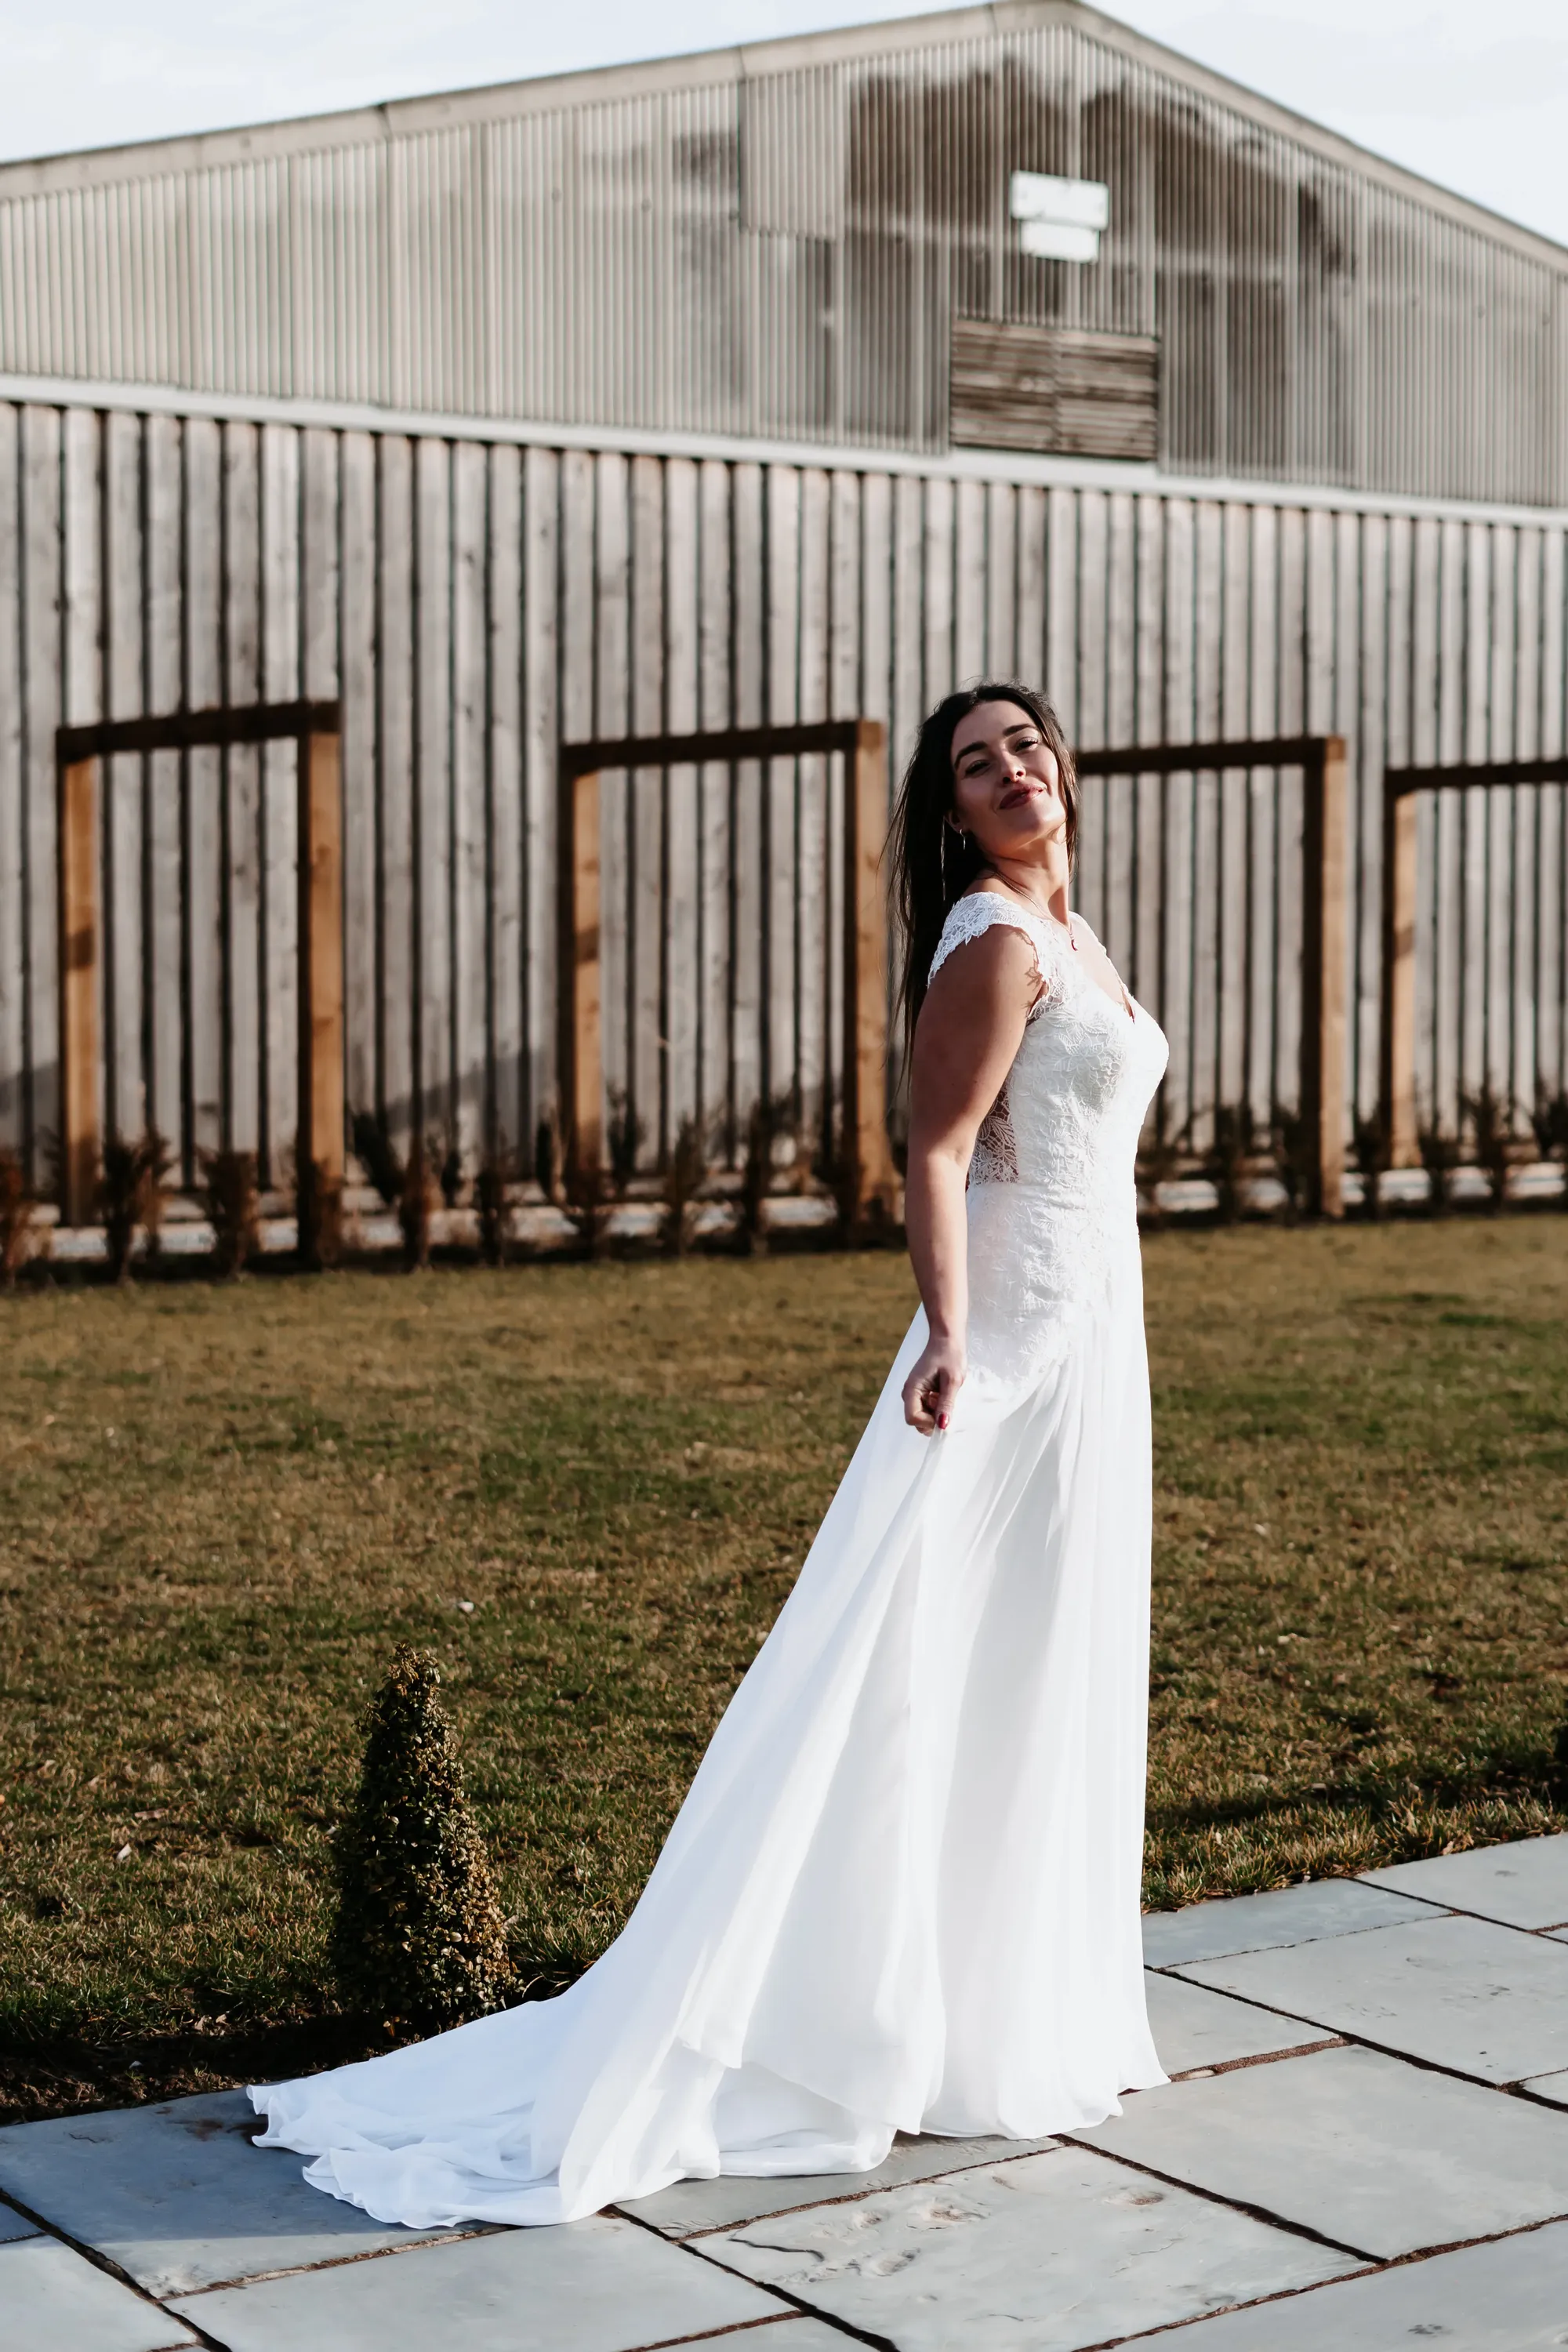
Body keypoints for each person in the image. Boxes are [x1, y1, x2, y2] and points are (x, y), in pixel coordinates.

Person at [250, 681, 1171, 2228]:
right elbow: (938, 1151)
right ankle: (845, 2012)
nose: (1011, 770)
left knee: (1037, 1651)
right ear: (953, 813)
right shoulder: (998, 941)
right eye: (975, 763)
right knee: (919, 1652)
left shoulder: (1075, 939)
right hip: (1009, 1336)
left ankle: (1008, 2004)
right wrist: (948, 1332)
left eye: (1024, 744)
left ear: (1061, 766)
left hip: (1095, 1337)